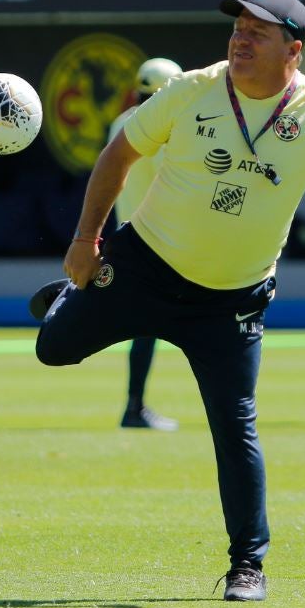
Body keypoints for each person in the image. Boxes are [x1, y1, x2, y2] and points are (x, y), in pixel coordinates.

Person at [31, 0, 305, 602]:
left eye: (258, 33)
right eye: (238, 28)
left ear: (293, 52)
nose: (240, 39)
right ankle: (73, 295)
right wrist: (86, 239)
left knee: (235, 427)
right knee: (51, 352)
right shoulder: (191, 90)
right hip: (145, 267)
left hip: (232, 299)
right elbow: (119, 152)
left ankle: (248, 565)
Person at [111, 57, 183, 432]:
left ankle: (135, 405)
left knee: (146, 324)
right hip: (157, 237)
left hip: (126, 233)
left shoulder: (119, 124)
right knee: (148, 326)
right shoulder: (163, 129)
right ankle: (134, 406)